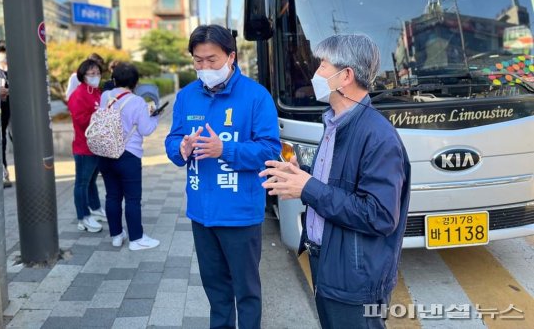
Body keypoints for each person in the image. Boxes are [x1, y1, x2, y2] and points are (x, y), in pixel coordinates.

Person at [260, 34, 411, 329]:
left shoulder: (377, 136)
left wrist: (308, 187)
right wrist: (301, 174)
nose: (315, 73)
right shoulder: (334, 122)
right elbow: (338, 184)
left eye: (323, 66)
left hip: (355, 278)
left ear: (346, 76)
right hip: (329, 262)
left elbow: (379, 215)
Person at [165, 25, 281, 329]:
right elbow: (172, 142)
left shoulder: (256, 96)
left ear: (232, 56)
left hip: (240, 214)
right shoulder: (187, 96)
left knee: (246, 291)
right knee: (216, 291)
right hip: (201, 214)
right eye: (198, 61)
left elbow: (269, 150)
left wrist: (224, 149)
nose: (205, 68)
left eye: (212, 60)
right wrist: (181, 147)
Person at [97, 62, 161, 250]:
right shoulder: (137, 102)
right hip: (128, 155)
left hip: (106, 153)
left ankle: (116, 235)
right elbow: (146, 129)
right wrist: (155, 115)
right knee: (132, 199)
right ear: (136, 83)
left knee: (112, 196)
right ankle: (136, 238)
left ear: (114, 79)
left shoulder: (105, 96)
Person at [67, 59, 107, 233]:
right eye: (92, 74)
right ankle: (83, 217)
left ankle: (96, 208)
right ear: (83, 75)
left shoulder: (96, 92)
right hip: (84, 147)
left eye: (98, 73)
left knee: (91, 181)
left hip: (97, 145)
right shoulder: (78, 94)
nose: (95, 76)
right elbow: (80, 120)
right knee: (82, 183)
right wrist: (99, 117)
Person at [0, 42, 12, 188]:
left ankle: (4, 171)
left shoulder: (9, 73)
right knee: (0, 142)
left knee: (3, 141)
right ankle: (3, 172)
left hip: (8, 115)